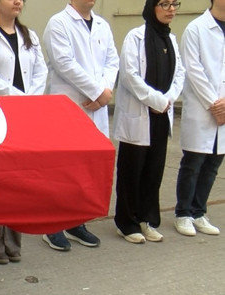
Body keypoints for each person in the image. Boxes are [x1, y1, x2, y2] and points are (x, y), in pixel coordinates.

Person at [0, 0, 47, 264]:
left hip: (22, 116)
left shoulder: (29, 36)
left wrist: (29, 99)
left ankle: (13, 242)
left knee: (18, 180)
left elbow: (41, 71)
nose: (18, 2)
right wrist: (20, 98)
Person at [42, 0, 119, 251]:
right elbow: (65, 64)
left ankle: (76, 222)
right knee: (62, 170)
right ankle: (53, 226)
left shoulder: (102, 25)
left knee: (85, 170)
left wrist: (104, 92)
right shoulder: (58, 23)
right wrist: (97, 91)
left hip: (96, 106)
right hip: (70, 106)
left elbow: (112, 62)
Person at [113, 0, 185, 244]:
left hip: (161, 115)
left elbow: (180, 73)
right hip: (140, 114)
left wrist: (167, 100)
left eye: (174, 3)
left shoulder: (171, 39)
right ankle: (126, 223)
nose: (171, 9)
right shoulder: (135, 37)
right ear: (152, 7)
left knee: (154, 170)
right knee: (131, 170)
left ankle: (148, 219)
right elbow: (129, 75)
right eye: (164, 4)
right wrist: (156, 100)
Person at [173, 0, 225, 237]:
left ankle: (198, 211)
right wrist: (215, 104)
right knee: (193, 163)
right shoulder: (196, 28)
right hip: (202, 107)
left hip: (223, 108)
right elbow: (193, 70)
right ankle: (183, 213)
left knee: (213, 164)